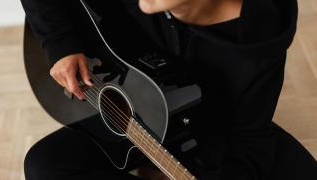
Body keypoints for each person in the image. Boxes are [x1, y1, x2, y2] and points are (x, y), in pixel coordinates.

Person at [20, 0, 317, 179]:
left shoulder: (260, 29)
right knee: (45, 164)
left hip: (212, 122)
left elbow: (248, 135)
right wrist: (59, 42)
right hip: (133, 96)